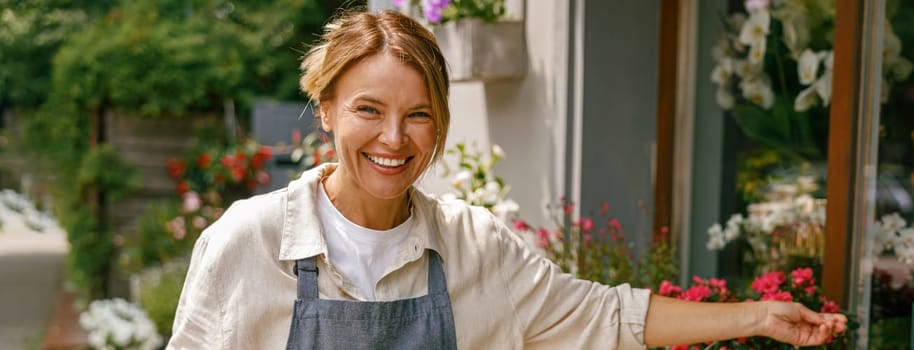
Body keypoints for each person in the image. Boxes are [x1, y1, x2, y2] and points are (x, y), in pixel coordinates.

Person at [168, 9, 847, 349]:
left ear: (440, 124)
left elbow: (609, 317)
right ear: (325, 111)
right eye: (368, 111)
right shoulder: (249, 242)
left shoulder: (474, 246)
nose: (394, 140)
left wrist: (757, 316)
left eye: (418, 116)